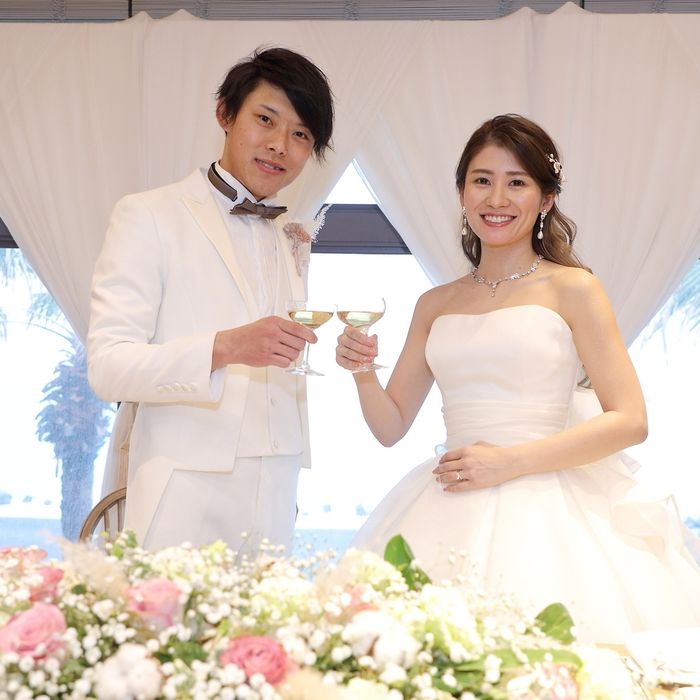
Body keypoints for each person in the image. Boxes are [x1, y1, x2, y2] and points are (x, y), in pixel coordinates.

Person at [335, 114, 700, 644]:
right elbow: (390, 427)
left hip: (548, 503)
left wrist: (509, 462)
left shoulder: (574, 289)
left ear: (546, 198)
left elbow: (630, 420)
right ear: (462, 193)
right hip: (446, 496)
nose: (496, 199)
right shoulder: (434, 303)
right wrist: (363, 372)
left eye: (517, 182)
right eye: (482, 180)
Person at [87, 47, 334, 553]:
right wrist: (225, 347)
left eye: (300, 135)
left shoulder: (289, 234)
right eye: (265, 120)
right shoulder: (149, 215)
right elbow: (108, 367)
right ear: (225, 113)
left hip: (279, 482)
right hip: (183, 484)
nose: (279, 145)